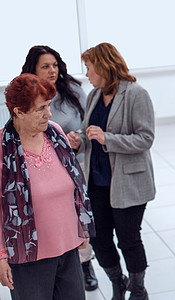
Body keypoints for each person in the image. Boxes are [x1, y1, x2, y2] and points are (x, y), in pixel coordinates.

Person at [67, 42, 155, 300]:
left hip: (128, 182)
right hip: (97, 181)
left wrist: (109, 139)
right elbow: (89, 134)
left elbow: (146, 139)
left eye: (89, 67)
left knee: (129, 240)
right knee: (100, 239)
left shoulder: (136, 94)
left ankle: (138, 290)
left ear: (104, 67)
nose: (87, 74)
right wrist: (79, 141)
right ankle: (119, 282)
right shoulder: (94, 95)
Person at [0, 73, 94, 299]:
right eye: (40, 108)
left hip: (68, 247)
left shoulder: (55, 133)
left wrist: (83, 228)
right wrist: (2, 255)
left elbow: (75, 186)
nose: (49, 114)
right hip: (27, 255)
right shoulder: (3, 149)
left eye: (49, 105)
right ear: (19, 112)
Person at [20, 45, 99, 292]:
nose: (52, 70)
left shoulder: (73, 89)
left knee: (79, 215)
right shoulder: (25, 95)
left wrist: (77, 139)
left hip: (76, 162)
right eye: (45, 66)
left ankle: (85, 264)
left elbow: (91, 125)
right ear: (33, 69)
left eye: (55, 65)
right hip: (42, 167)